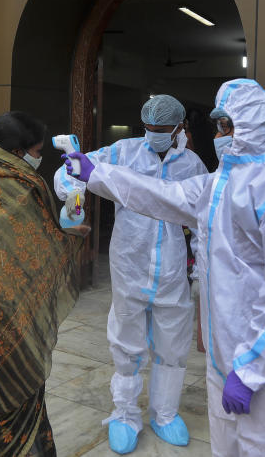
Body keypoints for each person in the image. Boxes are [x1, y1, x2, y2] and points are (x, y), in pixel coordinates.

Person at [63, 79, 265, 457]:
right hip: (225, 347)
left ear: (254, 126)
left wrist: (252, 368)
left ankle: (165, 412)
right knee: (226, 439)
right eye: (218, 126)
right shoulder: (220, 185)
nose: (220, 136)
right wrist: (94, 173)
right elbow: (161, 196)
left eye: (227, 126)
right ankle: (125, 413)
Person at [53, 94, 207, 454]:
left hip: (170, 268)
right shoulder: (124, 151)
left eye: (162, 130)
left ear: (179, 128)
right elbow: (73, 168)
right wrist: (72, 192)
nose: (154, 135)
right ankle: (124, 414)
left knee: (172, 344)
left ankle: (165, 414)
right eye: (149, 129)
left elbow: (202, 217)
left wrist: (200, 270)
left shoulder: (193, 163)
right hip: (129, 262)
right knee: (126, 341)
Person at [0, 111, 89, 457]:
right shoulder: (24, 185)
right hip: (9, 317)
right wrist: (71, 239)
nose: (38, 159)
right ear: (18, 151)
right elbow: (41, 247)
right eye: (37, 152)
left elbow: (13, 242)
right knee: (17, 386)